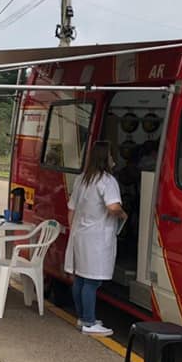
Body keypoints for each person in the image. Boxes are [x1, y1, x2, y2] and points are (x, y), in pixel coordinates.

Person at [64, 141, 126, 337]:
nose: (114, 160)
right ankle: (89, 322)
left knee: (81, 278)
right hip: (98, 237)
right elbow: (112, 207)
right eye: (111, 156)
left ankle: (82, 317)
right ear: (106, 158)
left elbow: (71, 209)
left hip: (80, 234)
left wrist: (74, 230)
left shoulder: (82, 179)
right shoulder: (107, 181)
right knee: (92, 282)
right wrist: (124, 215)